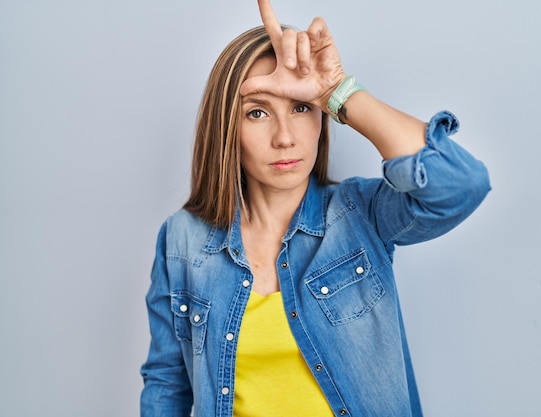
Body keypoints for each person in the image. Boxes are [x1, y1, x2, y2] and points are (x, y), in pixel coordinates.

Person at [140, 0, 490, 416]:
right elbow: (167, 385)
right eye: (257, 113)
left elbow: (462, 184)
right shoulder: (182, 239)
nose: (285, 137)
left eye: (301, 108)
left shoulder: (360, 214)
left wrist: (337, 91)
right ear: (226, 130)